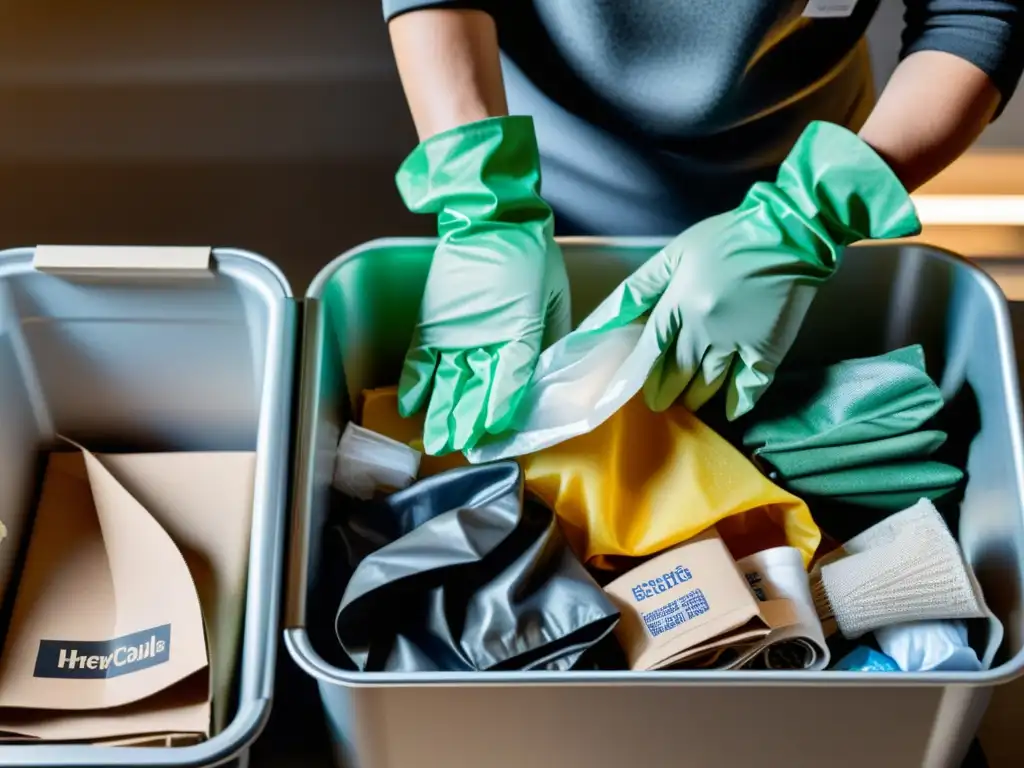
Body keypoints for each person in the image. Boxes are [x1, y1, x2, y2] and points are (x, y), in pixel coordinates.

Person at [381, 1, 1023, 456]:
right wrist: (487, 205)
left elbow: (975, 13)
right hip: (535, 160)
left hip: (811, 164)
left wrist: (806, 219)